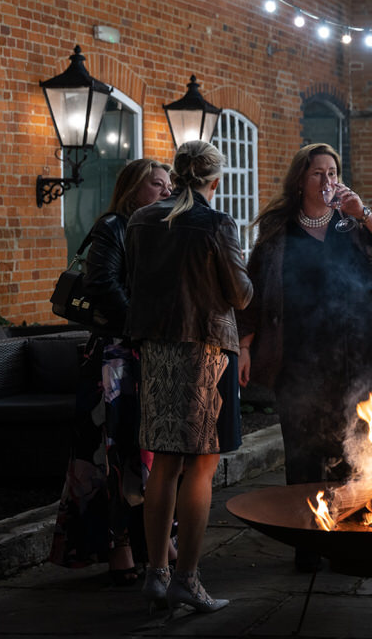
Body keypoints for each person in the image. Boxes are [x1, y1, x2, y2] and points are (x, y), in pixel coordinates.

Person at [238, 143, 372, 572]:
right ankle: (308, 544)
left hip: (354, 356)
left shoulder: (351, 226)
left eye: (333, 172)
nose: (328, 181)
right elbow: (254, 298)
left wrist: (363, 212)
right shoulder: (279, 232)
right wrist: (244, 347)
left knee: (352, 451)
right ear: (301, 179)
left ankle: (346, 541)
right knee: (303, 455)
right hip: (296, 359)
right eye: (319, 173)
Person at [126, 140, 253, 613]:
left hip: (156, 347)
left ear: (178, 173)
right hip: (204, 348)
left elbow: (135, 278)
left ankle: (156, 575)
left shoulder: (141, 220)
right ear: (215, 180)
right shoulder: (215, 223)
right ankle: (188, 579)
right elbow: (239, 295)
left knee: (164, 460)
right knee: (202, 462)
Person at [49, 159, 172, 584]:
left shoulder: (155, 229)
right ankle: (119, 544)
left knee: (147, 452)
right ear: (134, 188)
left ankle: (154, 540)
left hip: (145, 353)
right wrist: (140, 325)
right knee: (110, 452)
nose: (165, 191)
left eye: (168, 184)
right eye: (157, 184)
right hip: (113, 357)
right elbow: (102, 283)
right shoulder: (112, 227)